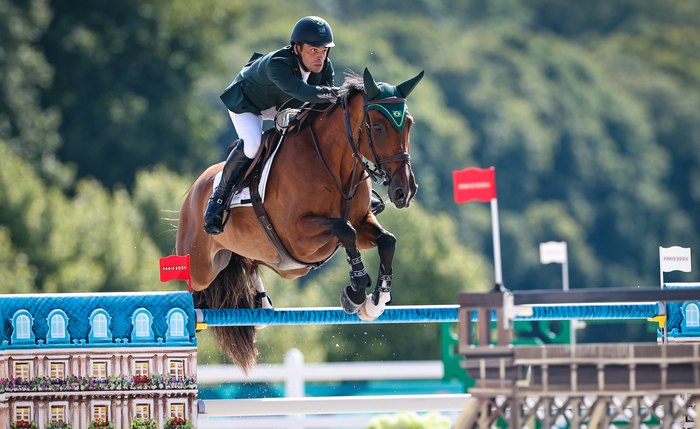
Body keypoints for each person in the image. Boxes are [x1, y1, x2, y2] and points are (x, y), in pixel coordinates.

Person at [204, 16, 381, 235]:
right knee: (252, 144)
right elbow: (302, 92)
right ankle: (219, 198)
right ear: (297, 48)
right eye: (313, 50)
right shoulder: (277, 64)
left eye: (324, 50)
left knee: (313, 136)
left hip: (284, 105)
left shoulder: (325, 67)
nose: (320, 57)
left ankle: (353, 191)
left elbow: (324, 109)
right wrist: (336, 94)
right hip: (249, 102)